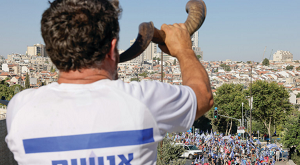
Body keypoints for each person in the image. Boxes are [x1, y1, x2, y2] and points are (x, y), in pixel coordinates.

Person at [5, 0, 213, 164]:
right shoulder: (143, 102)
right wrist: (184, 49)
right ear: (112, 48)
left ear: (52, 50)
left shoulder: (20, 109)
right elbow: (203, 96)